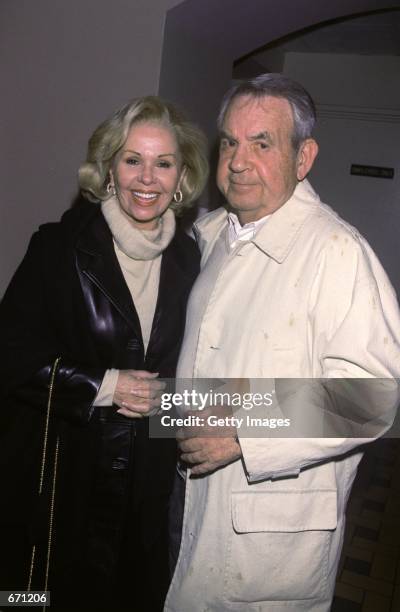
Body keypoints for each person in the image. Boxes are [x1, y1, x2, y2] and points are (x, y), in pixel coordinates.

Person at [164, 74, 400, 611]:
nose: (239, 161)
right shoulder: (212, 234)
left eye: (262, 143)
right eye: (230, 141)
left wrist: (245, 430)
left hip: (264, 526)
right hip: (186, 495)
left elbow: (375, 397)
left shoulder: (337, 251)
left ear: (304, 156)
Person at [0, 95, 208, 611]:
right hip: (63, 477)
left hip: (148, 482)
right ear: (109, 168)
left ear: (182, 176)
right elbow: (10, 352)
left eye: (164, 163)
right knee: (37, 599)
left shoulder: (192, 258)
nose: (147, 178)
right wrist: (105, 385)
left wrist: (247, 421)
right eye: (132, 159)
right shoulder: (56, 247)